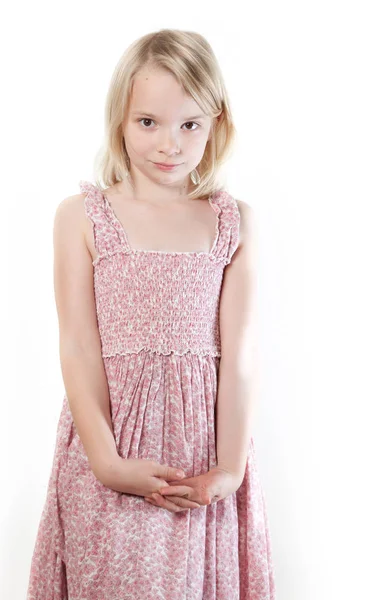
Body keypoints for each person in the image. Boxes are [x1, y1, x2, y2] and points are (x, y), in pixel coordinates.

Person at [27, 28, 276, 599]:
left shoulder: (232, 222)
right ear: (120, 120)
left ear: (217, 123)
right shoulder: (83, 217)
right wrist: (108, 461)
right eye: (149, 122)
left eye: (190, 124)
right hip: (112, 452)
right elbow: (78, 346)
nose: (171, 144)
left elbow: (239, 354)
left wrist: (230, 469)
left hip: (203, 461)